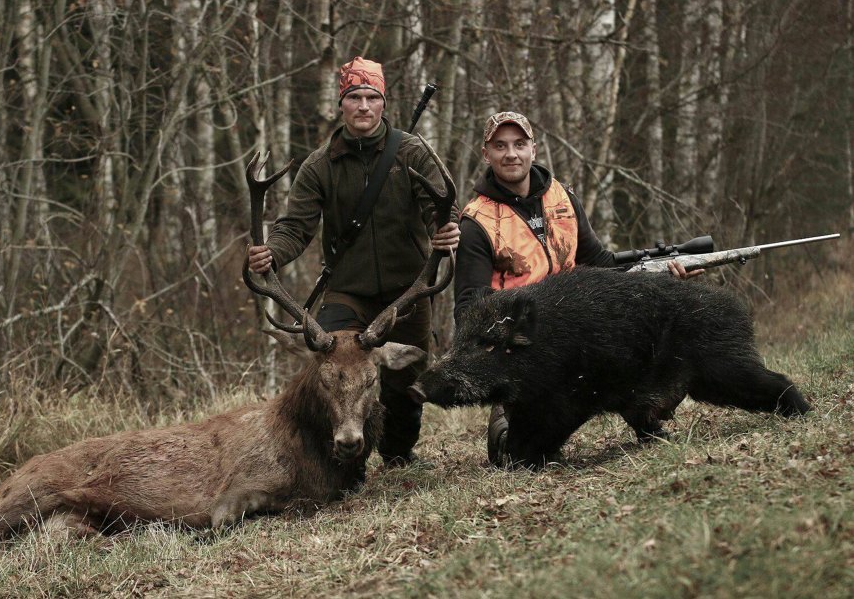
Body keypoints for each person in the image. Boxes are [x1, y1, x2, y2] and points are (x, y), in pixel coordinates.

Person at [247, 56, 460, 467]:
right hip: (347, 293)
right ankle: (335, 460)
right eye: (354, 97)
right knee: (329, 369)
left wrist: (446, 229)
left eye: (371, 97)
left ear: (383, 104)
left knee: (404, 383)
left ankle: (397, 454)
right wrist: (272, 250)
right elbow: (295, 227)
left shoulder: (412, 152)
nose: (363, 106)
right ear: (341, 104)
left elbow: (441, 208)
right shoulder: (320, 165)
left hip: (406, 293)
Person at [454, 111, 699, 467]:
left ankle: (646, 414)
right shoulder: (476, 221)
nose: (511, 154)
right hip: (525, 348)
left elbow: (599, 262)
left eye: (520, 145)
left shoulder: (561, 198)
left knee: (649, 331)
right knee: (519, 458)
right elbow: (469, 308)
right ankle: (509, 423)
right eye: (501, 146)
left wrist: (658, 277)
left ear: (533, 150)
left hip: (581, 329)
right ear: (485, 153)